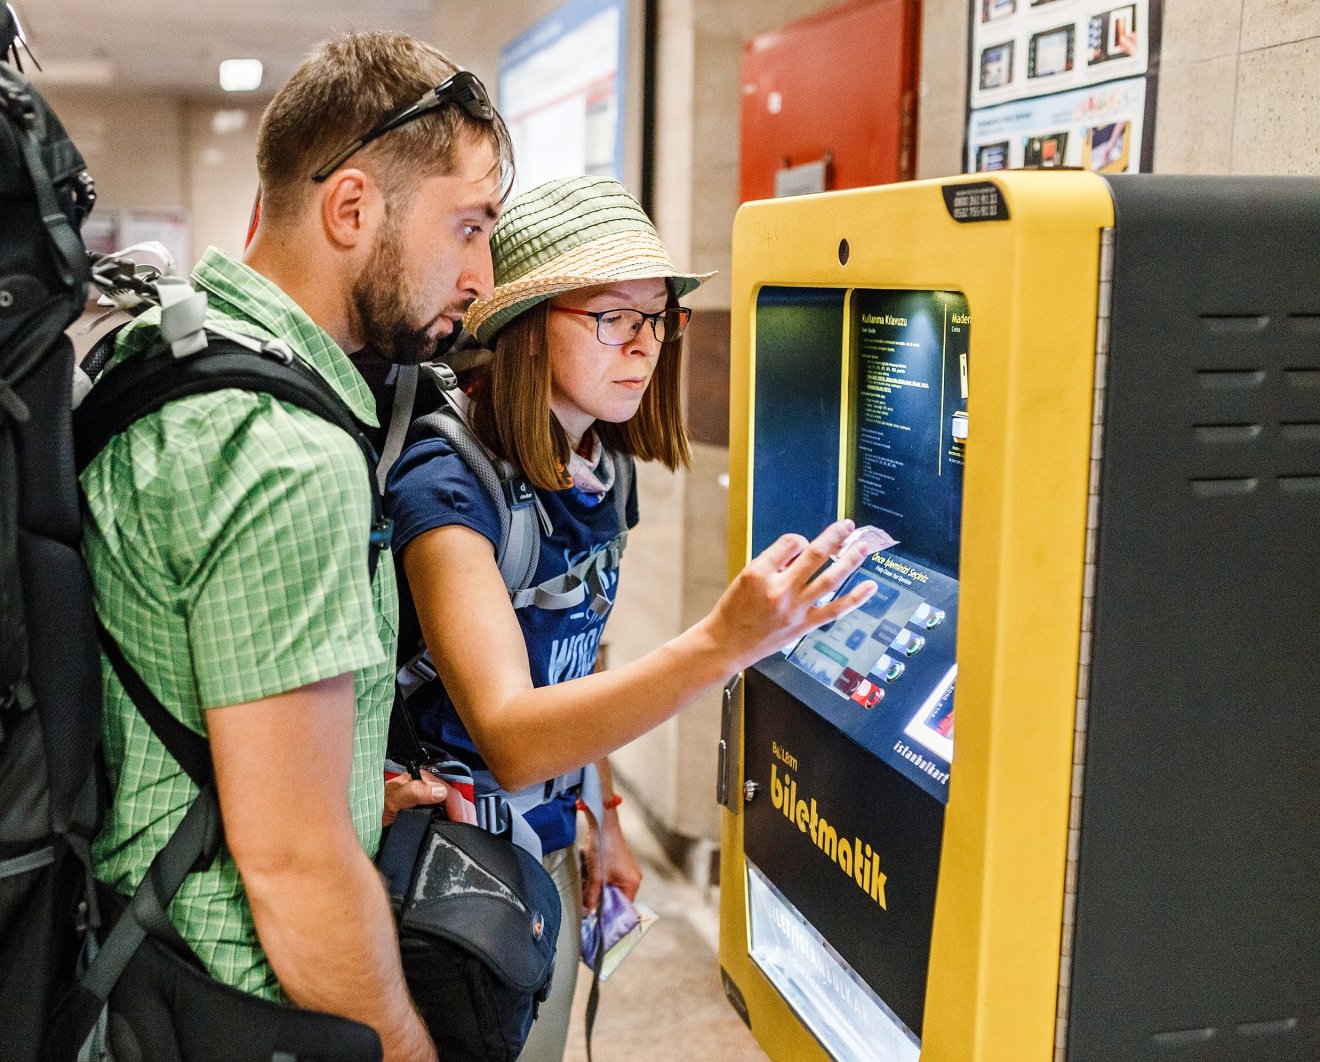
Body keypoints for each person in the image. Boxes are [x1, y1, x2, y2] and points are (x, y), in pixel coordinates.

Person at [80, 32, 511, 1062]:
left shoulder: (168, 348)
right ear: (352, 207)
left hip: (133, 953)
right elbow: (292, 865)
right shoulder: (285, 455)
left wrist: (354, 777)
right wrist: (404, 1048)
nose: (483, 278)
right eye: (468, 228)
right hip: (233, 999)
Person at [383, 175, 878, 1061]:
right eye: (612, 316)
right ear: (525, 326)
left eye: (658, 318)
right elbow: (511, 732)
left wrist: (600, 810)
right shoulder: (447, 486)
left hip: (550, 838)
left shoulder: (603, 463)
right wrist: (724, 644)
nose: (643, 347)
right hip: (450, 872)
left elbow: (578, 663)